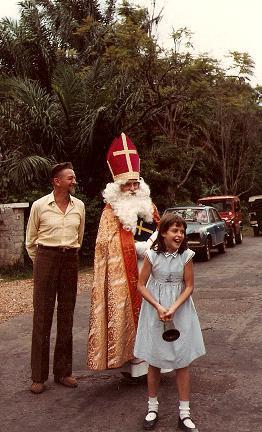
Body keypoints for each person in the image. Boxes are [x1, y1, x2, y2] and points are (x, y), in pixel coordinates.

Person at [87, 132, 160, 378]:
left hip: (153, 269)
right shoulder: (111, 212)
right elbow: (106, 245)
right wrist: (136, 248)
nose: (132, 188)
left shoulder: (149, 205)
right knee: (134, 316)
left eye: (135, 183)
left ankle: (160, 361)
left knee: (156, 314)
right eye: (127, 184)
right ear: (117, 186)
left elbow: (163, 229)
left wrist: (152, 242)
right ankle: (135, 366)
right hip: (128, 273)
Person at [134, 212, 205, 431]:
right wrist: (158, 306)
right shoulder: (151, 256)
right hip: (155, 309)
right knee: (154, 360)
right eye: (175, 230)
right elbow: (141, 284)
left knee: (182, 361)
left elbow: (189, 286)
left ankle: (184, 413)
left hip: (180, 310)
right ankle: (152, 408)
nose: (179, 235)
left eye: (182, 231)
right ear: (163, 232)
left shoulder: (187, 256)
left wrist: (174, 307)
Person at [26, 162, 85, 394]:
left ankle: (63, 372)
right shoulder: (40, 205)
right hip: (46, 258)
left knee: (67, 315)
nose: (74, 181)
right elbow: (31, 241)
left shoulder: (79, 206)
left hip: (70, 259)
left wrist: (67, 255)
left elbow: (78, 237)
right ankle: (38, 376)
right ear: (57, 181)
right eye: (70, 178)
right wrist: (42, 263)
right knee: (42, 316)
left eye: (74, 177)